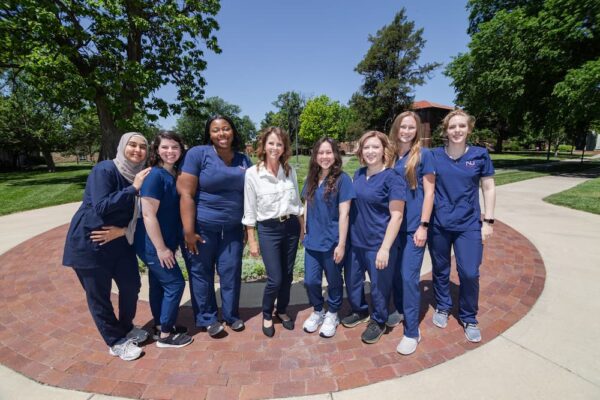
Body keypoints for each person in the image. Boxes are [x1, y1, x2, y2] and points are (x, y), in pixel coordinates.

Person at [63, 132, 151, 361]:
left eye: (143, 147)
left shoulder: (139, 174)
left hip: (120, 241)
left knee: (131, 285)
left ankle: (126, 327)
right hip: (91, 242)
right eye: (132, 145)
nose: (137, 150)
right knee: (99, 296)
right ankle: (115, 341)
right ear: (122, 146)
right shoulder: (105, 169)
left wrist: (122, 231)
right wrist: (133, 188)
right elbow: (101, 206)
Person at [178, 115, 252, 337]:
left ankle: (231, 315)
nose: (222, 134)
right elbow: (186, 194)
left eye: (226, 129)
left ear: (233, 131)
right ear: (209, 134)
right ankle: (207, 318)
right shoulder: (197, 154)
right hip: (202, 228)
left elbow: (250, 195)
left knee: (230, 272)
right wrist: (189, 231)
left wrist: (248, 228)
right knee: (201, 273)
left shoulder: (243, 160)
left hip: (231, 229)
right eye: (216, 130)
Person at [428, 109, 496, 343]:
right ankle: (443, 306)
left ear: (469, 129)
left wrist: (488, 221)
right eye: (452, 126)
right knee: (441, 268)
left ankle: (468, 316)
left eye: (461, 126)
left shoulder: (480, 155)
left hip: (468, 224)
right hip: (439, 224)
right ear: (445, 130)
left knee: (469, 272)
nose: (457, 130)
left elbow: (488, 187)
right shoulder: (434, 155)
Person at [342, 130, 406, 344]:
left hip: (378, 244)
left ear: (384, 150)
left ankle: (378, 320)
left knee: (379, 288)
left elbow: (397, 216)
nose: (370, 151)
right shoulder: (358, 174)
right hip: (356, 242)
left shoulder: (393, 177)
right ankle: (360, 311)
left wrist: (385, 248)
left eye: (375, 147)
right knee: (352, 282)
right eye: (366, 147)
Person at [133, 131, 193, 348]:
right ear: (156, 150)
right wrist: (161, 248)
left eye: (174, 147)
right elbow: (148, 214)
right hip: (152, 243)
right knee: (175, 283)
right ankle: (166, 336)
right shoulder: (155, 176)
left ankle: (160, 325)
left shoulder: (171, 173)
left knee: (159, 284)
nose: (170, 151)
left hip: (162, 241)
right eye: (165, 147)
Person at [242, 127, 304, 337]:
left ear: (284, 147)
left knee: (287, 276)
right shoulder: (253, 173)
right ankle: (267, 313)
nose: (275, 147)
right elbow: (249, 209)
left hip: (291, 227)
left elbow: (297, 202)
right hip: (268, 230)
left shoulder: (289, 170)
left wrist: (303, 229)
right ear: (264, 145)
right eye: (271, 143)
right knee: (275, 278)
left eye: (279, 144)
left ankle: (282, 310)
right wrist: (252, 240)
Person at [388, 111, 435, 355]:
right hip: (392, 227)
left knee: (408, 277)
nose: (406, 131)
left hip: (413, 227)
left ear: (417, 131)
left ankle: (412, 332)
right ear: (396, 129)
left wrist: (423, 226)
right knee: (395, 275)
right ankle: (400, 309)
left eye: (411, 127)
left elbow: (429, 192)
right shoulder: (390, 155)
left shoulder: (423, 155)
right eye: (403, 127)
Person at [301, 138, 355, 338]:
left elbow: (344, 214)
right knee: (310, 281)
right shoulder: (311, 179)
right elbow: (307, 204)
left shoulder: (343, 180)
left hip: (332, 242)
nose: (324, 157)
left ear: (335, 155)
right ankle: (318, 310)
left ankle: (333, 313)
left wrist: (341, 244)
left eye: (328, 152)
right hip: (312, 241)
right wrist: (305, 231)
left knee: (333, 281)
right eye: (320, 153)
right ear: (315, 156)